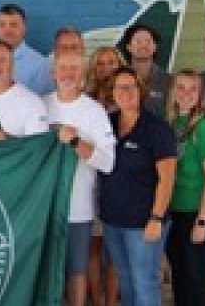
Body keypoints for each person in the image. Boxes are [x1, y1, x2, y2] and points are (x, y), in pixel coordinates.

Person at [98, 66, 177, 306]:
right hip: (113, 221)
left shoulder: (156, 129)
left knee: (145, 282)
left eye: (131, 87)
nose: (126, 92)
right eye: (120, 87)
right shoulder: (106, 123)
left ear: (140, 91)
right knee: (126, 280)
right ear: (112, 93)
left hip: (144, 223)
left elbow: (167, 177)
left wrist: (156, 217)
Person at [44, 52, 115, 306]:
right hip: (43, 208)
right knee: (45, 272)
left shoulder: (94, 111)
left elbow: (108, 162)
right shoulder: (40, 106)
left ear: (83, 74)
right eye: (62, 68)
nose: (67, 74)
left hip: (78, 208)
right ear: (53, 73)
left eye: (74, 69)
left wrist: (76, 141)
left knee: (77, 270)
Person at [164, 70, 205, 306]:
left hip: (196, 212)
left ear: (200, 95)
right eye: (181, 87)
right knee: (179, 275)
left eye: (192, 89)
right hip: (172, 212)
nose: (186, 94)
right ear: (172, 91)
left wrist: (202, 221)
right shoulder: (168, 124)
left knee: (196, 278)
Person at [84, 45, 124, 306]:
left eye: (112, 62)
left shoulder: (128, 100)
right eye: (101, 63)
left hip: (119, 182)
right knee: (93, 247)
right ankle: (97, 301)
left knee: (115, 250)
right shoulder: (85, 100)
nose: (107, 68)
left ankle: (111, 301)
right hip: (90, 180)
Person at [0, 3, 51, 95]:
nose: (7, 30)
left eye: (13, 25)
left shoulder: (40, 65)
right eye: (2, 25)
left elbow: (43, 103)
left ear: (24, 28)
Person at [120, 24, 169, 116]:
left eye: (148, 41)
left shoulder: (169, 81)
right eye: (138, 42)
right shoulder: (117, 79)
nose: (143, 45)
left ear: (155, 47)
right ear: (128, 47)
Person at [85, 46, 124, 112]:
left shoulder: (127, 94)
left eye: (111, 62)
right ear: (93, 67)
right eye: (100, 63)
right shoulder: (85, 95)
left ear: (120, 65)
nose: (106, 67)